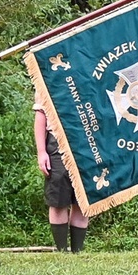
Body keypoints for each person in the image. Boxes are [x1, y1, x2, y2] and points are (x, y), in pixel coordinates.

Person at [34, 93, 88, 252]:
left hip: (87, 142)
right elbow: (40, 115)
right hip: (57, 141)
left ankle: (77, 251)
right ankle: (62, 252)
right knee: (58, 200)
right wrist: (41, 151)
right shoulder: (48, 77)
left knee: (82, 201)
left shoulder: (91, 73)